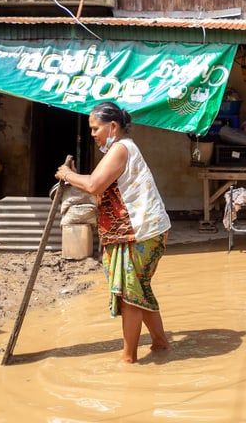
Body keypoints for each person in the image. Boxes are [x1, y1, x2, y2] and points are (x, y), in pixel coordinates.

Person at [55, 101, 172, 364]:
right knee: (139, 288)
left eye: (96, 128)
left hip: (139, 232)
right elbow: (96, 182)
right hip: (138, 231)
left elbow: (95, 185)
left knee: (130, 294)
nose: (93, 134)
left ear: (114, 126)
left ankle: (128, 358)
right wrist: (75, 177)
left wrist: (66, 174)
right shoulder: (119, 149)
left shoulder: (120, 149)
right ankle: (160, 342)